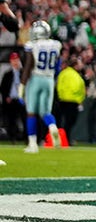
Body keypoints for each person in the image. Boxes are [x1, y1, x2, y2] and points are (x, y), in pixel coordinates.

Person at [21, 21, 63, 153]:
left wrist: (22, 85)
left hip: (35, 78)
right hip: (49, 79)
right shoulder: (56, 45)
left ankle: (32, 144)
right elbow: (57, 67)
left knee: (31, 112)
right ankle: (52, 126)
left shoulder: (32, 45)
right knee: (46, 112)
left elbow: (28, 66)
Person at [55, 55, 86, 142]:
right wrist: (80, 100)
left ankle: (61, 138)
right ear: (75, 65)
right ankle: (66, 139)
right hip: (73, 101)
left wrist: (61, 96)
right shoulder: (76, 76)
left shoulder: (63, 73)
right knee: (70, 122)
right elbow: (78, 88)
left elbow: (58, 86)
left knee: (61, 122)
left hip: (62, 101)